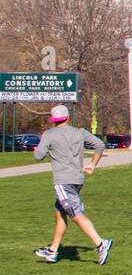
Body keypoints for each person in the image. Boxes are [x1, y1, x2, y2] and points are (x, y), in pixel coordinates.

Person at [32, 105, 112, 265]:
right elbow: (99, 145)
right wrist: (92, 164)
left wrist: (45, 148)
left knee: (75, 214)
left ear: (53, 120)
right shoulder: (80, 132)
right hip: (77, 179)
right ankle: (53, 250)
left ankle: (100, 244)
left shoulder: (49, 134)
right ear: (68, 118)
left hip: (63, 181)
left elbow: (37, 156)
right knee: (60, 212)